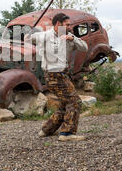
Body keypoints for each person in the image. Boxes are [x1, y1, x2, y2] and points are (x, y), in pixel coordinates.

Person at [26, 13, 88, 141]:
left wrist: (73, 39)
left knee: (64, 103)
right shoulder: (44, 36)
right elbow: (28, 39)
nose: (70, 26)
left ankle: (47, 130)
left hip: (62, 74)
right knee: (74, 101)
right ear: (58, 24)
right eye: (67, 24)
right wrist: (27, 35)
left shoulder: (69, 36)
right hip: (54, 75)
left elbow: (84, 47)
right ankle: (67, 134)